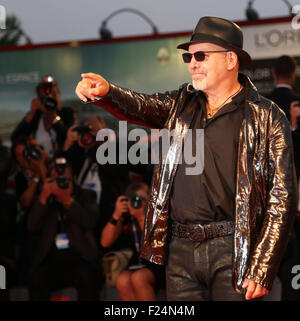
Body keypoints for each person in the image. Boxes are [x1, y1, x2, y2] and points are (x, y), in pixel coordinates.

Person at [75, 16, 297, 301]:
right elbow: (141, 106)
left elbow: (282, 198)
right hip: (179, 250)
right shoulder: (181, 103)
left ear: (230, 60)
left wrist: (263, 265)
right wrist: (107, 93)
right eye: (188, 56)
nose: (192, 63)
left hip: (234, 248)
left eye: (201, 55)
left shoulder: (268, 117)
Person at [27, 158, 103, 300]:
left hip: (80, 256)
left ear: (74, 177)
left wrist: (67, 200)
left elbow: (90, 221)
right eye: (56, 174)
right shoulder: (45, 198)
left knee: (87, 276)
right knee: (35, 276)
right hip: (52, 258)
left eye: (64, 174)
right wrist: (43, 197)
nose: (60, 178)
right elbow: (31, 226)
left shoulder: (86, 195)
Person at [268, 55, 300, 300]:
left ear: (272, 73)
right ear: (293, 75)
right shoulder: (296, 104)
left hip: (267, 199)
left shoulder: (262, 106)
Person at [101, 182, 165, 301]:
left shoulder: (157, 216)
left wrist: (142, 218)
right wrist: (116, 215)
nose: (138, 203)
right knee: (122, 280)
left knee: (138, 278)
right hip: (137, 262)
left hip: (158, 263)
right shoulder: (127, 218)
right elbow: (105, 242)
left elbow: (153, 248)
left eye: (141, 199)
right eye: (134, 199)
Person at [11, 75, 67, 158]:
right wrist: (32, 113)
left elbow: (68, 138)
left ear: (57, 92)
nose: (48, 91)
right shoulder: (36, 116)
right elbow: (15, 138)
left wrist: (52, 116)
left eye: (51, 88)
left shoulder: (66, 112)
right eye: (44, 89)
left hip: (59, 163)